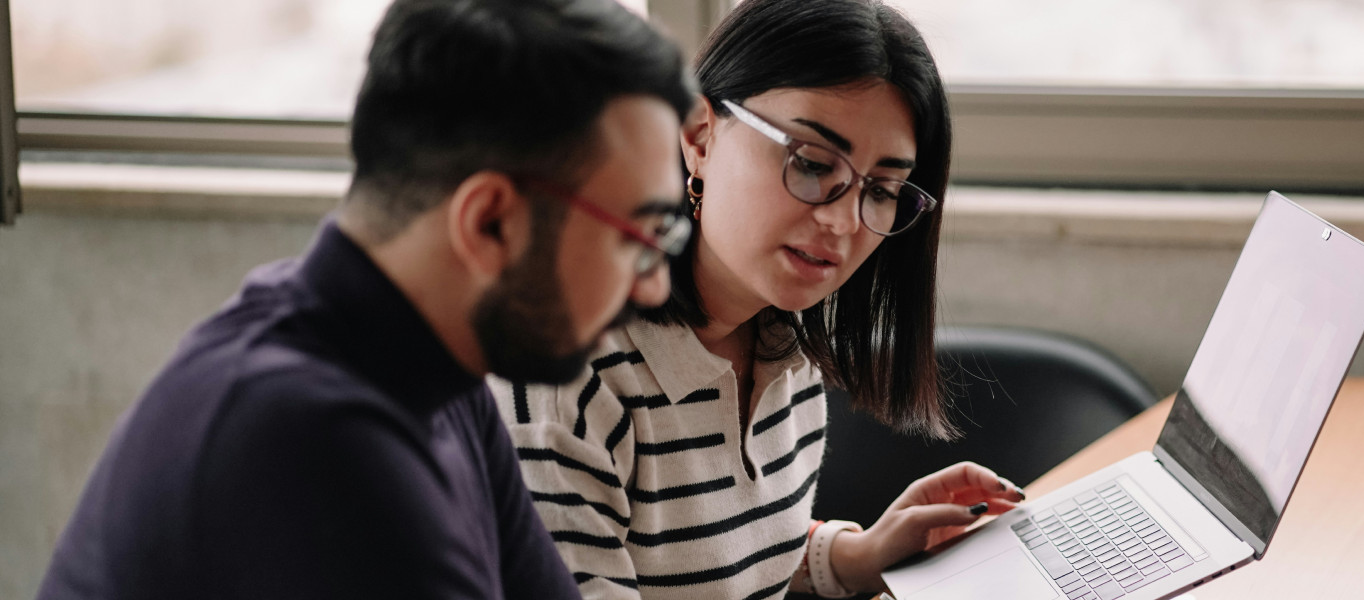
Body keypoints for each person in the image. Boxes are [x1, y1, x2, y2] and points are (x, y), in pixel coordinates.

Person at [36, 0, 694, 598]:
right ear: (490, 222)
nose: (654, 284)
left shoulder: (440, 373)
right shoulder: (308, 441)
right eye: (638, 237)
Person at [488, 0, 1025, 598]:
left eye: (883, 190)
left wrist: (857, 556)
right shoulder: (566, 381)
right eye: (813, 163)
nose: (845, 222)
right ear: (699, 137)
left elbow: (722, 572)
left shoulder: (783, 346)